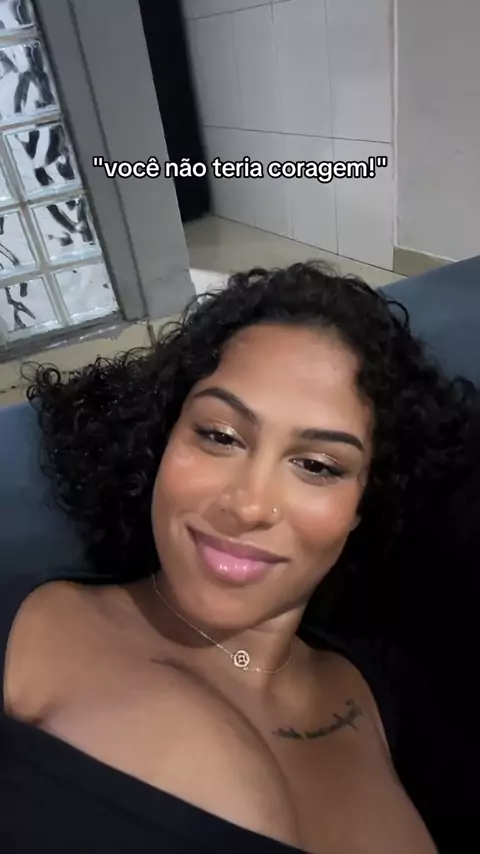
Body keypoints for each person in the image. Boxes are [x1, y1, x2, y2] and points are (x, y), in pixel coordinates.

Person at [0, 261, 470, 854]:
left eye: (318, 466)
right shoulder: (27, 629)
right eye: (219, 436)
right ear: (164, 437)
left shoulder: (395, 697)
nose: (248, 505)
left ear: (364, 504)